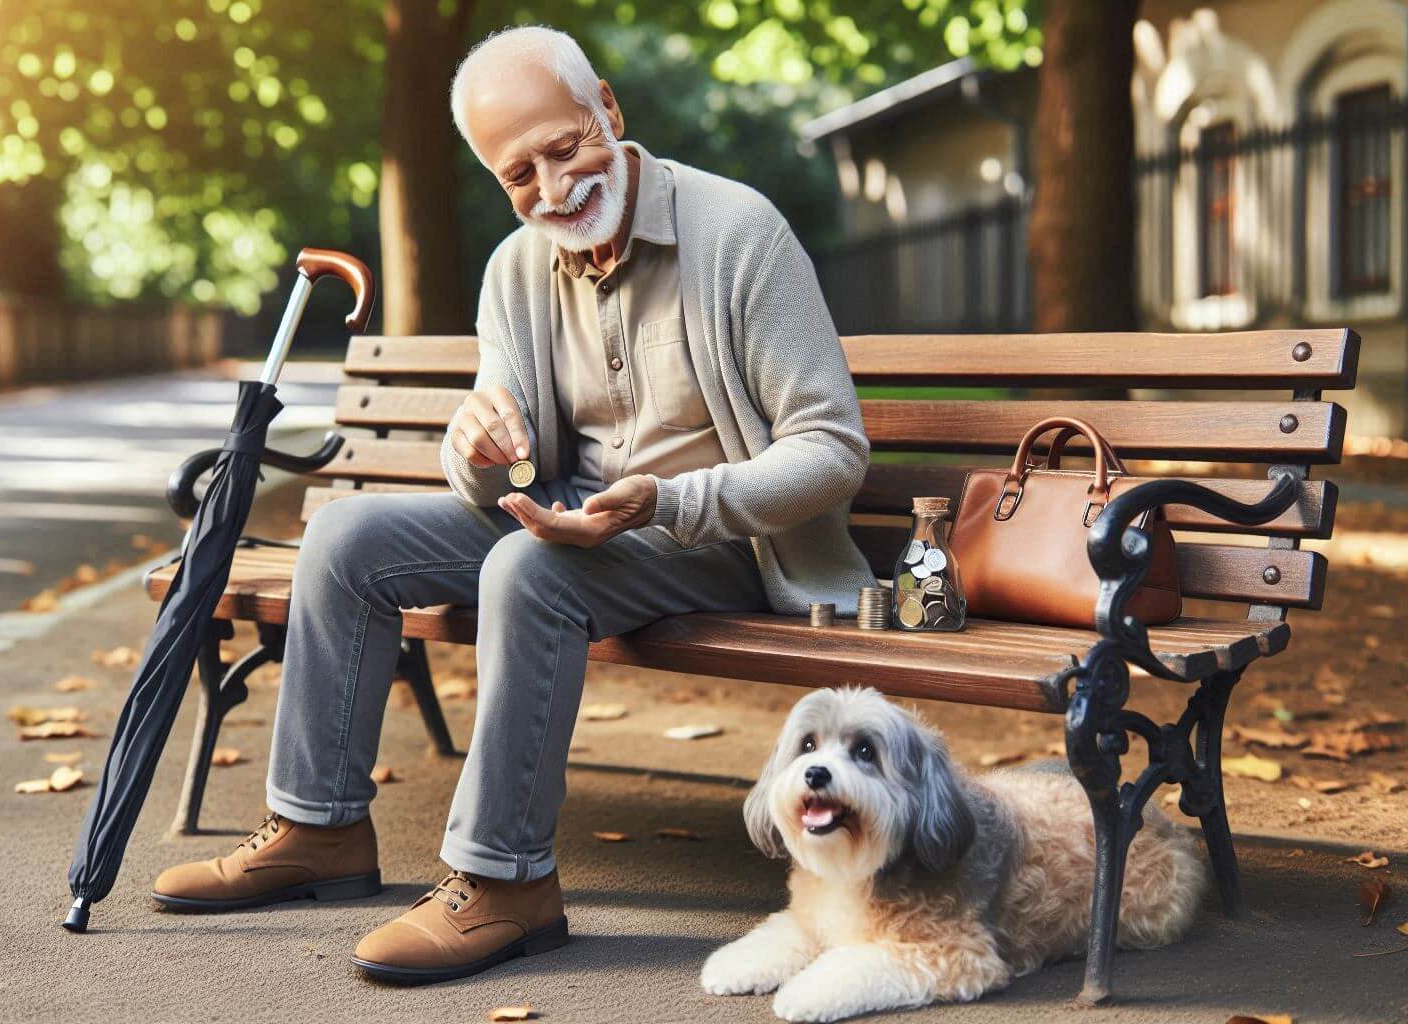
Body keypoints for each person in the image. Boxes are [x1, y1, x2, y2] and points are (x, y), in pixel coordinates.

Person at [150, 23, 874, 984]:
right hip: (566, 522)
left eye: (565, 147)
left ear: (607, 110)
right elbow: (496, 468)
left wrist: (664, 499)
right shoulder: (514, 269)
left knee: (527, 567)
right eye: (518, 175)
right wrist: (474, 447)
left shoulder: (736, 232)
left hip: (721, 540)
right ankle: (319, 828)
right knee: (345, 533)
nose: (552, 188)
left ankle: (506, 883)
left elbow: (832, 450)